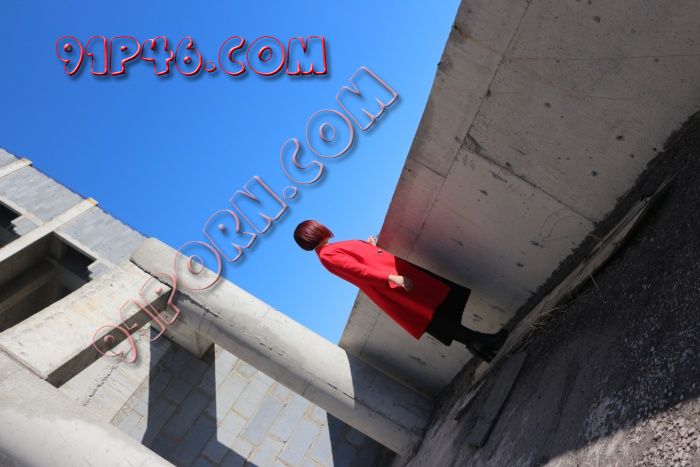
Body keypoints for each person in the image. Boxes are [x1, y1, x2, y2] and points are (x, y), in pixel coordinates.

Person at [293, 220, 508, 362]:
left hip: (394, 280)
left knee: (440, 309)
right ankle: (482, 342)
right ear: (314, 231)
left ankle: (479, 344)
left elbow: (362, 262)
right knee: (435, 315)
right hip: (393, 285)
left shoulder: (328, 251)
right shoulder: (327, 255)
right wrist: (392, 278)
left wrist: (370, 247)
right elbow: (358, 272)